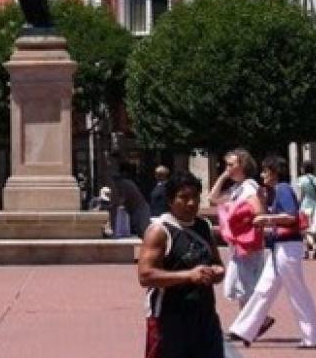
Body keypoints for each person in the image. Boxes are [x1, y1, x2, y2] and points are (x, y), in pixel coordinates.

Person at [226, 156, 316, 348]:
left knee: (296, 291)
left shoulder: (283, 189)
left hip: (287, 247)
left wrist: (267, 219)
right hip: (280, 247)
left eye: (265, 171)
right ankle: (244, 329)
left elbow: (291, 215)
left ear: (274, 172)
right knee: (264, 288)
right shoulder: (277, 190)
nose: (262, 175)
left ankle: (313, 337)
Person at [137, 170, 226, 358]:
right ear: (170, 200)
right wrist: (188, 275)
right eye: (183, 197)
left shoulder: (203, 227)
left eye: (195, 197)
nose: (191, 203)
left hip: (204, 317)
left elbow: (217, 263)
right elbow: (145, 276)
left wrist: (217, 272)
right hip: (169, 320)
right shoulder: (160, 231)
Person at [209, 149, 265, 306]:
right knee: (241, 288)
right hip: (238, 244)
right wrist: (223, 176)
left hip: (248, 244)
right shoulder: (236, 188)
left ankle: (251, 324)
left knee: (246, 287)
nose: (227, 167)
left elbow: (258, 211)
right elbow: (213, 198)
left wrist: (240, 220)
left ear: (243, 166)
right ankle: (247, 326)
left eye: (231, 164)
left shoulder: (249, 186)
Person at [294, 160, 316, 259]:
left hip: (305, 206)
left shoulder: (300, 180)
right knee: (309, 230)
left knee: (303, 229)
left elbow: (300, 196)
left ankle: (311, 246)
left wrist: (296, 205)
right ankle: (306, 251)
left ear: (303, 169)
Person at [111, 168, 152, 239]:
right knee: (140, 230)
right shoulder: (123, 184)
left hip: (140, 208)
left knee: (144, 230)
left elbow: (123, 199)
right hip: (135, 209)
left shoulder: (124, 184)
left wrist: (114, 204)